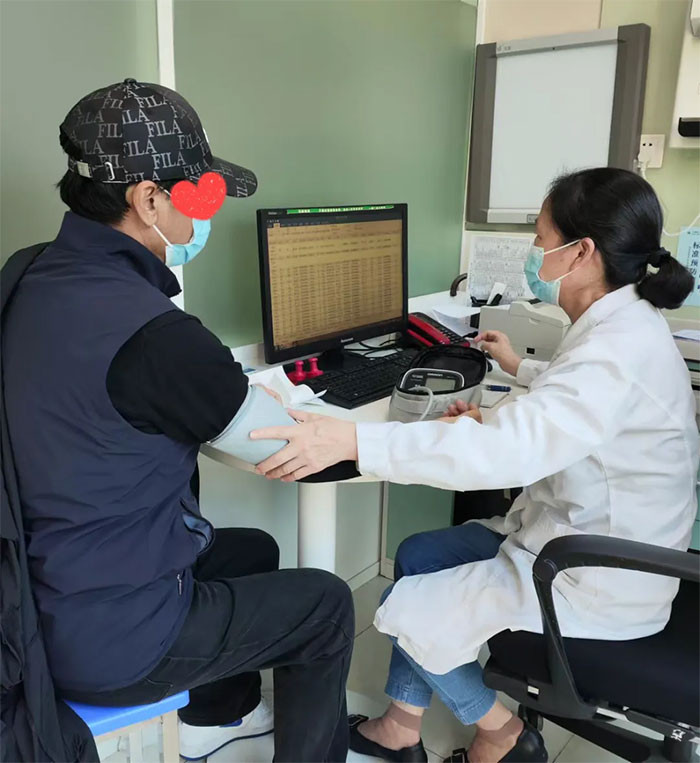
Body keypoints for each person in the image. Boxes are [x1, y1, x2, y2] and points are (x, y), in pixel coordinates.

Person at [252, 167, 699, 762]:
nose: (534, 252)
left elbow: (513, 448)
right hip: (584, 540)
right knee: (420, 556)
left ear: (582, 253)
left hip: (593, 575)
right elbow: (573, 403)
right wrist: (511, 383)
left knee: (404, 609)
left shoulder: (614, 352)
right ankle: (401, 727)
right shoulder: (625, 322)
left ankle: (503, 734)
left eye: (540, 239)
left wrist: (353, 440)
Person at [2, 79, 356, 763]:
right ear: (148, 200)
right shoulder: (154, 335)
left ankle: (216, 719)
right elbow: (278, 441)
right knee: (326, 605)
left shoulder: (30, 275)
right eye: (199, 196)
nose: (204, 218)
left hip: (37, 596)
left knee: (251, 551)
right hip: (111, 638)